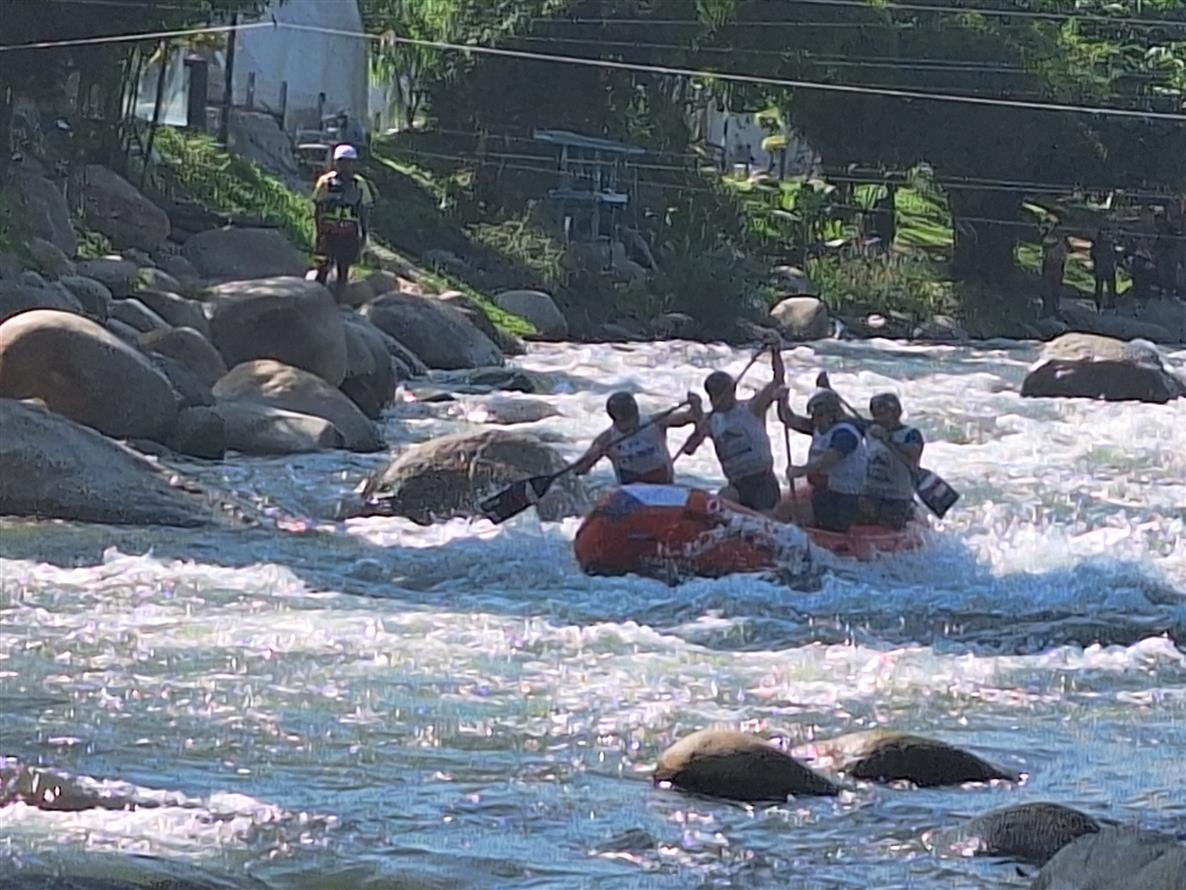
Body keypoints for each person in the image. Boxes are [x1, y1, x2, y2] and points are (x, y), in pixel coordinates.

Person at [681, 348, 785, 513]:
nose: (716, 400)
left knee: (765, 517)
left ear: (731, 392)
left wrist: (775, 351)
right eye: (712, 396)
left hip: (762, 480)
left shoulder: (752, 407)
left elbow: (778, 380)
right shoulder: (711, 421)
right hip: (736, 484)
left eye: (719, 394)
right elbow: (689, 449)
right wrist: (697, 412)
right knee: (723, 497)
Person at [781, 389, 868, 533]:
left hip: (842, 500)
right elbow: (789, 419)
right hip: (824, 492)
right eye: (813, 415)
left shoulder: (845, 434)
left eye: (820, 414)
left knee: (792, 512)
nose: (816, 419)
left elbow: (831, 458)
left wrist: (801, 470)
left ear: (833, 414)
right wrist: (783, 401)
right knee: (785, 509)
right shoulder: (819, 428)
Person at [572, 391, 701, 485]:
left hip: (663, 486)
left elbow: (693, 417)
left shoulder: (656, 422)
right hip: (632, 494)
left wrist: (696, 403)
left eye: (633, 418)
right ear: (615, 418)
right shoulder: (606, 440)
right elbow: (581, 469)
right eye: (626, 421)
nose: (631, 425)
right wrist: (591, 457)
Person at [312, 144, 375, 298]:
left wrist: (364, 236)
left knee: (343, 270)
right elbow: (317, 208)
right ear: (335, 162)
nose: (345, 166)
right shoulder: (325, 182)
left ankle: (338, 303)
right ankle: (315, 299)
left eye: (349, 162)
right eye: (341, 161)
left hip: (348, 234)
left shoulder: (359, 185)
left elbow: (364, 211)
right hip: (328, 233)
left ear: (354, 164)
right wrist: (318, 232)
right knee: (323, 267)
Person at [861, 393, 924, 529]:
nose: (879, 419)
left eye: (883, 414)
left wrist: (888, 439)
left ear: (896, 413)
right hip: (870, 493)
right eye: (876, 415)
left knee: (886, 522)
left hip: (897, 497)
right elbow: (843, 419)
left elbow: (913, 453)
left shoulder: (911, 434)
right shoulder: (870, 429)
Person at [1040, 231, 1067, 318]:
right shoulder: (1052, 244)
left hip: (1055, 270)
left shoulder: (1061, 246)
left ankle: (1053, 309)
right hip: (1051, 270)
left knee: (1054, 291)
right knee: (1049, 291)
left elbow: (1062, 260)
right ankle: (1048, 310)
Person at [1091, 227, 1118, 312]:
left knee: (1110, 287)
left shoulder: (1111, 243)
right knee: (1099, 287)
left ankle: (1111, 303)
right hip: (1102, 267)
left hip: (1108, 267)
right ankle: (1098, 304)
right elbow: (1093, 254)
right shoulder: (1098, 244)